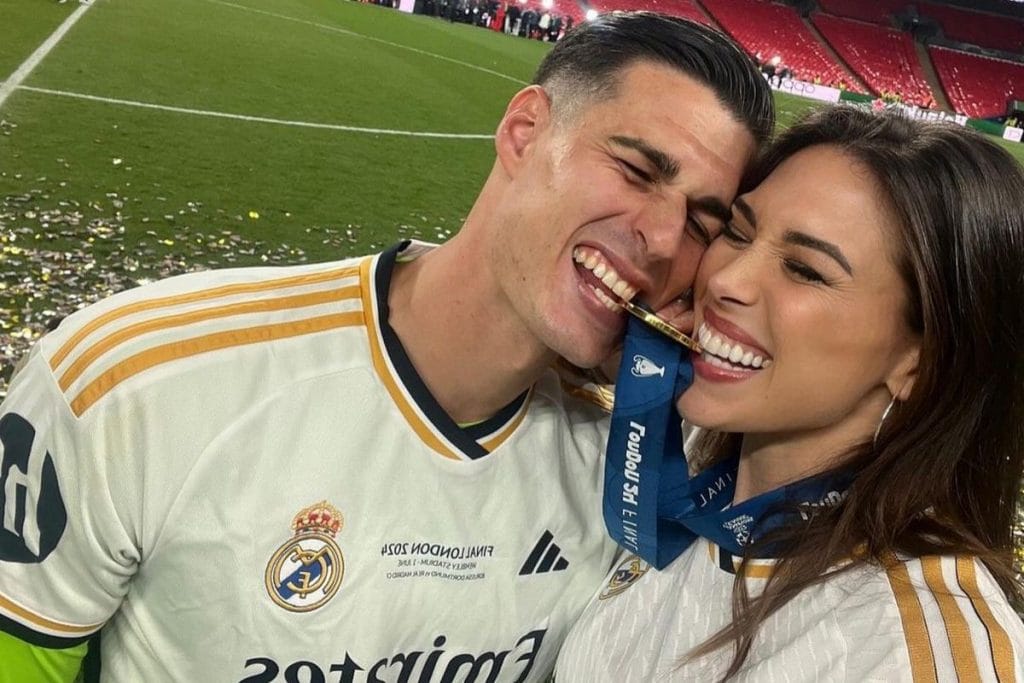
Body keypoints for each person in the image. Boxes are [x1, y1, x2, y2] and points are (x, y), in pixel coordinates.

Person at [0, 13, 773, 682]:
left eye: (702, 222)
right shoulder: (137, 378)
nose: (663, 237)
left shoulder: (624, 480)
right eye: (636, 170)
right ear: (525, 131)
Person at [556, 105, 1024, 680]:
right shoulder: (694, 471)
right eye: (738, 231)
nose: (724, 279)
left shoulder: (918, 654)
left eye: (805, 270)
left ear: (918, 364)